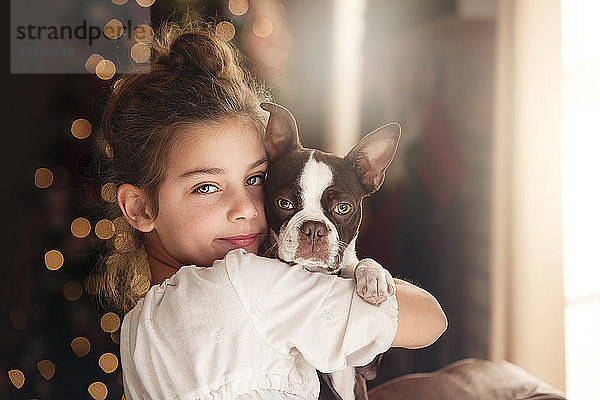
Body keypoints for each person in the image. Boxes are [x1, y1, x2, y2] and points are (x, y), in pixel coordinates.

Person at [97, 21, 447, 400]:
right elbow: (429, 319)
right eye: (207, 187)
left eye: (254, 180)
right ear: (140, 207)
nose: (246, 208)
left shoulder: (134, 329)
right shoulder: (244, 282)